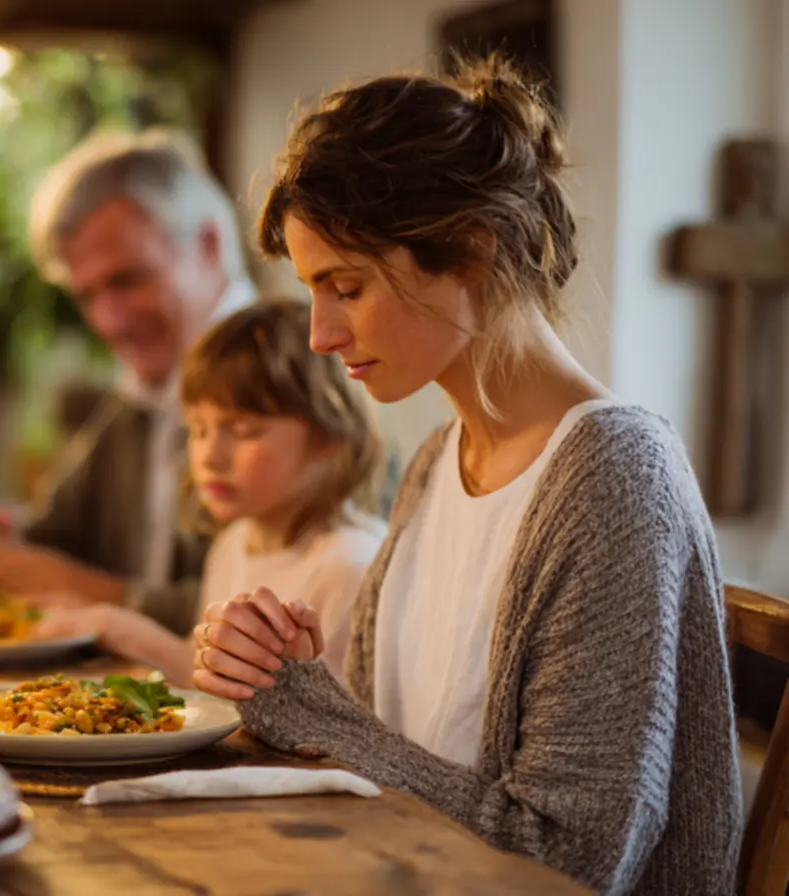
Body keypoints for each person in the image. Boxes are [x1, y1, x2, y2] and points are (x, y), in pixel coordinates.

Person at [190, 58, 741, 894]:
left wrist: (321, 717)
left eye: (346, 287)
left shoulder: (614, 479)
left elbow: (570, 858)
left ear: (470, 253)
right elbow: (396, 758)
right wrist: (286, 679)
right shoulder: (435, 465)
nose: (320, 335)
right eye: (312, 292)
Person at [0, 130, 257, 635]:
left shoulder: (291, 381)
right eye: (87, 295)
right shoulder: (141, 393)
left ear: (208, 244)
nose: (109, 321)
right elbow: (58, 534)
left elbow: (271, 614)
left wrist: (65, 583)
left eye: (128, 280)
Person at [35, 300, 386, 684]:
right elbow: (210, 683)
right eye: (198, 430)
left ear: (328, 436)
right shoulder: (232, 545)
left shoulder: (347, 567)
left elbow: (318, 727)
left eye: (242, 431)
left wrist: (113, 625)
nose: (209, 456)